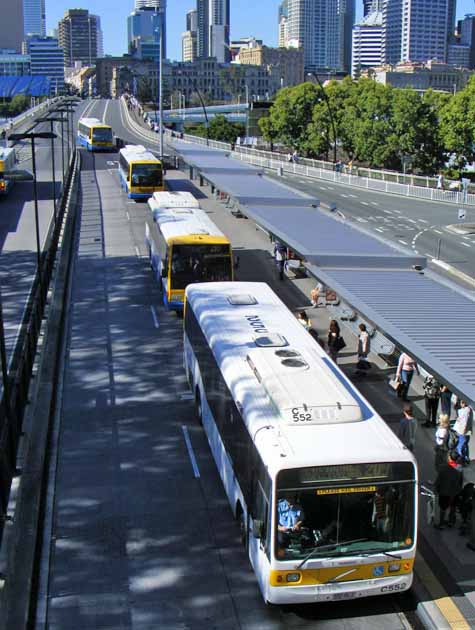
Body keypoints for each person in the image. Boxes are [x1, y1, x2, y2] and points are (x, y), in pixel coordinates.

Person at [434, 451, 464, 528]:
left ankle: (441, 524)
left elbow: (439, 480)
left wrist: (436, 489)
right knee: (453, 507)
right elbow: (461, 482)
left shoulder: (444, 468)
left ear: (449, 458)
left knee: (443, 508)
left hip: (444, 492)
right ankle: (451, 522)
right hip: (455, 492)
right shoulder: (460, 469)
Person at [453, 400, 473, 466]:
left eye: (461, 403)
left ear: (464, 403)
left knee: (460, 447)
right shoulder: (470, 409)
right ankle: (466, 458)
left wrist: (462, 431)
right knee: (465, 445)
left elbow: (464, 422)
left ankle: (461, 461)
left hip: (463, 432)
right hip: (468, 432)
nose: (460, 405)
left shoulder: (465, 411)